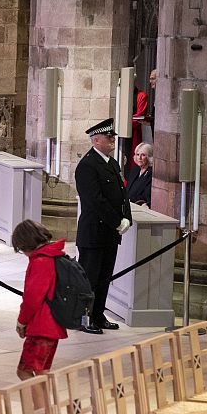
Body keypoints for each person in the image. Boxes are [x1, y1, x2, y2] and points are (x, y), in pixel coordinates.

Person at [75, 118, 132, 335]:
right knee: (89, 278)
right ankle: (84, 318)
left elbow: (122, 194)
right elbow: (95, 201)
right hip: (94, 232)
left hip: (109, 233)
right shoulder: (87, 166)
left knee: (105, 277)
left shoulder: (111, 163)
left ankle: (98, 315)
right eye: (109, 138)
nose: (112, 141)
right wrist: (117, 221)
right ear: (96, 140)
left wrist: (126, 217)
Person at [11, 220, 67, 414]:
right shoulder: (53, 254)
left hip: (42, 326)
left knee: (24, 371)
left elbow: (33, 297)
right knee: (41, 372)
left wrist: (21, 321)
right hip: (52, 325)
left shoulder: (41, 261)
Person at [126, 142, 153, 207]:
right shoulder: (135, 170)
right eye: (137, 154)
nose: (139, 158)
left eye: (143, 155)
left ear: (149, 157)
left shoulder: (151, 173)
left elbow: (146, 196)